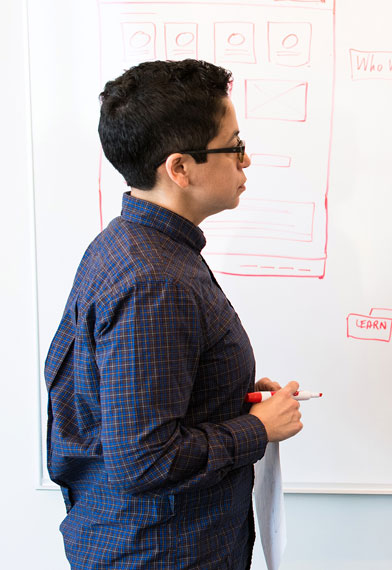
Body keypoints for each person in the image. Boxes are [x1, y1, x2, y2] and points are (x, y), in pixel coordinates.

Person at [44, 59, 304, 570]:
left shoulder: (137, 248)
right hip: (161, 553)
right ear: (180, 168)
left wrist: (234, 400)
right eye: (235, 146)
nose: (245, 161)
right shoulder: (154, 282)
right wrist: (258, 429)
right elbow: (144, 459)